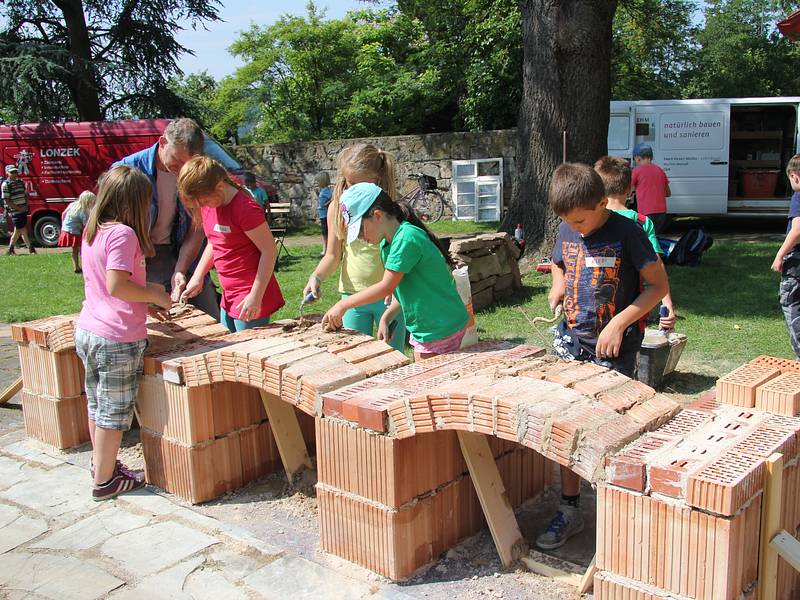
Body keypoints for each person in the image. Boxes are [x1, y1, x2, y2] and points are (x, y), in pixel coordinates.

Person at [537, 162, 668, 550]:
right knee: (566, 424)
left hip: (613, 347)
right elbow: (560, 262)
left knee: (608, 429)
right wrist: (559, 285)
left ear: (601, 202)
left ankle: (615, 505)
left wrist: (619, 324)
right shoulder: (567, 228)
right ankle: (570, 506)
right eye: (568, 222)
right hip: (570, 341)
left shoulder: (628, 232)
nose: (576, 228)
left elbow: (657, 287)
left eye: (581, 220)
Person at [74, 165, 173, 501]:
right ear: (133, 203)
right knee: (114, 414)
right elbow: (118, 285)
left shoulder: (94, 229)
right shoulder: (123, 234)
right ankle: (104, 482)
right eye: (146, 203)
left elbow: (105, 286)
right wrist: (156, 294)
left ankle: (101, 465)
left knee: (97, 405)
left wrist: (146, 303)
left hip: (91, 329)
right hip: (116, 339)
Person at [321, 182, 468, 360]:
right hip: (430, 325)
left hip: (440, 326)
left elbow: (386, 288)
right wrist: (386, 317)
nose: (360, 237)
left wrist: (342, 304)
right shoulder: (388, 243)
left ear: (377, 215)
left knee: (428, 381)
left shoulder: (406, 239)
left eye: (360, 230)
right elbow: (402, 289)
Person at [303, 144, 406, 352]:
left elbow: (404, 256)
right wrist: (316, 277)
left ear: (377, 178)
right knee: (356, 357)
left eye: (361, 185)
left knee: (395, 359)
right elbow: (332, 255)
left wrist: (398, 289)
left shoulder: (393, 207)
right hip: (352, 297)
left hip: (390, 297)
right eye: (349, 184)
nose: (353, 190)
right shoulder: (337, 208)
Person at [114, 117, 219, 319]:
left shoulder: (194, 173)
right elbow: (112, 230)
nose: (181, 169)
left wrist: (180, 270)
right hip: (143, 256)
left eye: (186, 164)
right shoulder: (128, 171)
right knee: (156, 323)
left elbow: (198, 227)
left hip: (185, 253)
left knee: (211, 318)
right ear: (163, 143)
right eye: (177, 161)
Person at [177, 156, 285, 332]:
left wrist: (255, 296)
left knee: (249, 353)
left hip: (248, 295)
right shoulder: (210, 205)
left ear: (220, 185)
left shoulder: (245, 208)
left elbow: (269, 251)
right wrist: (198, 277)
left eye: (204, 201)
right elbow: (215, 242)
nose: (203, 206)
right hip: (229, 294)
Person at [594, 155, 676, 330]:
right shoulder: (641, 222)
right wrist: (667, 304)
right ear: (629, 190)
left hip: (591, 309)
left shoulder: (591, 220)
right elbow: (657, 266)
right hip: (631, 310)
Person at [772, 154, 800, 359]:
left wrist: (780, 255)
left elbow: (797, 229)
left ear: (795, 176)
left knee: (793, 308)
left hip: (796, 266)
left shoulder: (798, 196)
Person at [631, 143, 671, 234]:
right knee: (654, 237)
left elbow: (629, 191)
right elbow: (668, 193)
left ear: (638, 158)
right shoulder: (660, 170)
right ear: (651, 157)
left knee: (645, 237)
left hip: (645, 212)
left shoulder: (636, 171)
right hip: (661, 212)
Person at [58, 190, 97, 273]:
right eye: (92, 201)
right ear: (87, 201)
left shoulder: (72, 205)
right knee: (82, 250)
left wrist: (63, 226)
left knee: (74, 249)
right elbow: (86, 224)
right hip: (74, 232)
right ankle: (86, 267)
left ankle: (76, 267)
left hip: (66, 230)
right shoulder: (82, 210)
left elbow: (63, 214)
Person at [2, 165, 35, 255]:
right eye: (12, 172)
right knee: (23, 229)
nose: (14, 174)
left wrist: (26, 204)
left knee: (18, 230)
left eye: (15, 172)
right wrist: (18, 208)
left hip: (23, 209)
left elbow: (25, 194)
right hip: (14, 211)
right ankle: (31, 249)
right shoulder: (6, 184)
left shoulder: (20, 182)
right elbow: (7, 200)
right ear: (7, 173)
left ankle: (10, 249)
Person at [315, 171, 332, 257]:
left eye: (318, 181)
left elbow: (332, 200)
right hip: (322, 215)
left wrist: (325, 205)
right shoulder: (323, 191)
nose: (317, 183)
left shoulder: (326, 191)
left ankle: (326, 249)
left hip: (325, 215)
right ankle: (325, 248)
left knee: (326, 233)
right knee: (324, 233)